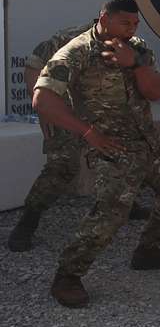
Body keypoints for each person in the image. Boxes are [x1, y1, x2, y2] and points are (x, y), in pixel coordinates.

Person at [34, 0, 160, 308]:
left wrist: (133, 63)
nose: (131, 30)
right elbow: (42, 99)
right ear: (104, 18)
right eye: (125, 23)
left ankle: (148, 252)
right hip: (112, 146)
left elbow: (155, 91)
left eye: (135, 24)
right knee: (112, 212)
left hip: (149, 143)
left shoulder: (139, 49)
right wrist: (87, 133)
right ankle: (67, 276)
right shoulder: (77, 52)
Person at [7, 23, 151, 252]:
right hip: (67, 114)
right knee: (62, 167)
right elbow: (33, 66)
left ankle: (127, 204)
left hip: (104, 115)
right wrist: (43, 108)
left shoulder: (130, 45)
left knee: (123, 158)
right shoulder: (70, 39)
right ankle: (27, 224)